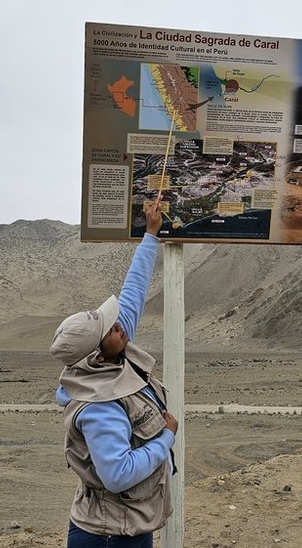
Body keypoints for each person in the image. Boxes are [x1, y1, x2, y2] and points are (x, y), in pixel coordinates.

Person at [51, 199, 177, 548]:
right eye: (110, 329)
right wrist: (166, 437)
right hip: (109, 537)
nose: (120, 326)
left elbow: (133, 293)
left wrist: (151, 234)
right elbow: (118, 474)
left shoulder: (112, 357)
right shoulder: (99, 404)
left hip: (125, 525)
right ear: (96, 353)